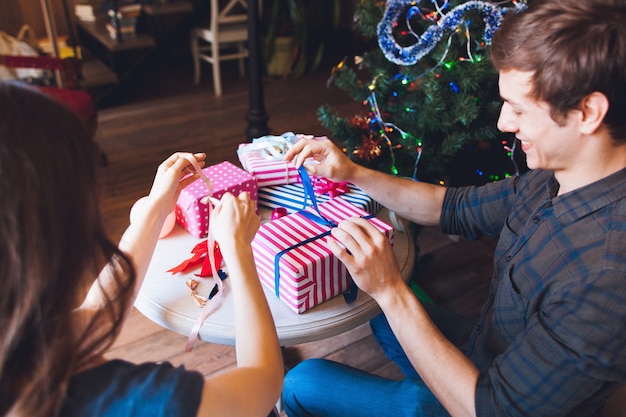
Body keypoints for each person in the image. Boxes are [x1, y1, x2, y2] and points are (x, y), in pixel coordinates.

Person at [281, 0, 626, 416]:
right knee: (370, 303)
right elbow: (452, 206)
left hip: (481, 401)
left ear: (588, 112)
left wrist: (390, 291)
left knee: (303, 382)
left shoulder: (607, 278)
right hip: (484, 349)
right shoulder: (559, 174)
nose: (504, 123)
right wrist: (353, 172)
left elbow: (489, 409)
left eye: (518, 108)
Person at [0, 81, 283, 417]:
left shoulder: (19, 340)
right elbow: (263, 382)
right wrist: (238, 251)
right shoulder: (147, 403)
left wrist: (157, 209)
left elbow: (98, 315)